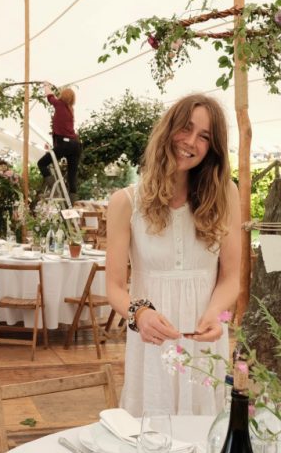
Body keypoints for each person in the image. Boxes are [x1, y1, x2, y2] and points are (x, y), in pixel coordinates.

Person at [106, 93, 241, 416]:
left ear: (213, 148)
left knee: (205, 437)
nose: (191, 142)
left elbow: (231, 277)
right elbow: (113, 287)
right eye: (186, 128)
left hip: (204, 341)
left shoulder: (226, 195)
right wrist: (139, 314)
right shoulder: (126, 202)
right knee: (151, 433)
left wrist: (215, 312)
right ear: (168, 130)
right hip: (152, 343)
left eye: (205, 137)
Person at [37, 82, 82, 204]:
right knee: (72, 176)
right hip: (75, 145)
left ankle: (55, 190)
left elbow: (50, 97)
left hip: (64, 144)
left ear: (62, 97)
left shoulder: (60, 105)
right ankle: (74, 204)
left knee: (41, 163)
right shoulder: (70, 109)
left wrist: (46, 86)